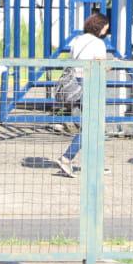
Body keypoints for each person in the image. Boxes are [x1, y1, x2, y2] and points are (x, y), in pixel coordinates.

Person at [53, 13, 110, 178]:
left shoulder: (77, 40)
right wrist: (114, 65)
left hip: (74, 86)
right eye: (105, 27)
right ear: (100, 26)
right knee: (94, 126)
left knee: (90, 125)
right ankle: (66, 157)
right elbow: (101, 65)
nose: (106, 31)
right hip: (88, 84)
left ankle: (95, 164)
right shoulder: (98, 43)